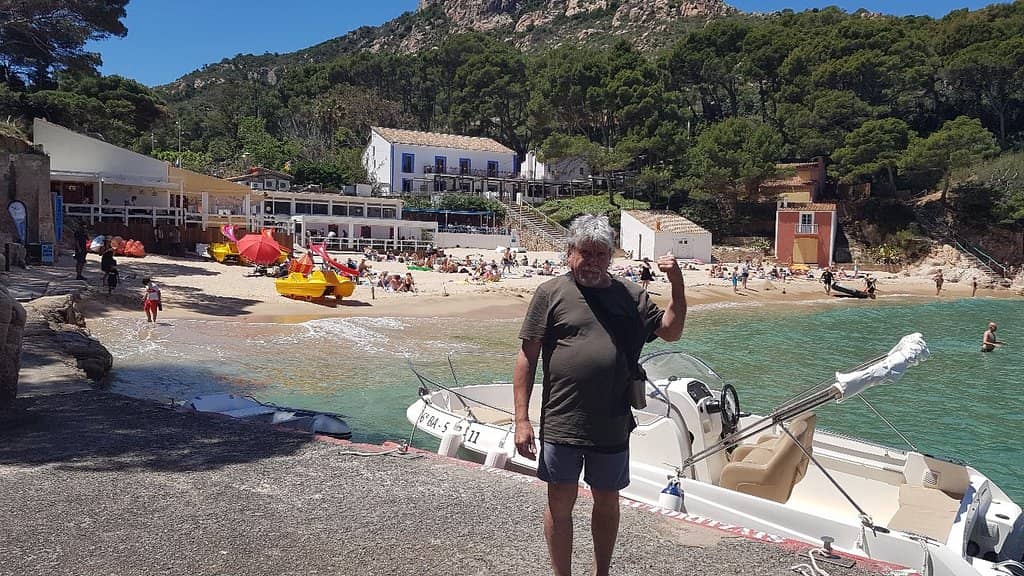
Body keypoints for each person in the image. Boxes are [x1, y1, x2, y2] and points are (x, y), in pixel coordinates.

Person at [513, 214, 686, 576]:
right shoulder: (550, 293)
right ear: (569, 252)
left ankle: (601, 572)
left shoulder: (631, 295)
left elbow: (670, 332)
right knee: (560, 501)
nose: (593, 262)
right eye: (585, 253)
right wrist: (521, 420)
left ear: (611, 256)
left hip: (612, 419)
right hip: (563, 419)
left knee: (607, 501)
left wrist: (677, 286)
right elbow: (526, 357)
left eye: (601, 254)